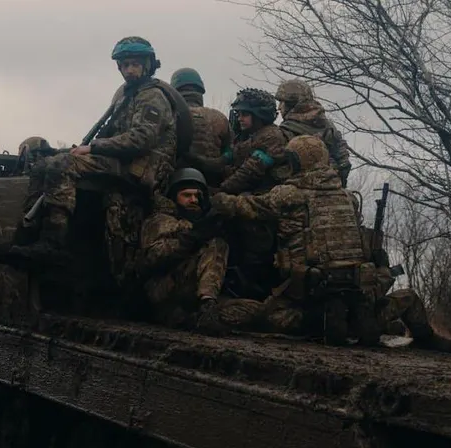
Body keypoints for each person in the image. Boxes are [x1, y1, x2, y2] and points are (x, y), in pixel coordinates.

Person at [0, 36, 178, 290]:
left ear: (148, 64)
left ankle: (53, 244)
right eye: (125, 64)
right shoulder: (128, 97)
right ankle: (26, 238)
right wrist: (67, 149)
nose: (129, 70)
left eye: (135, 64)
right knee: (46, 164)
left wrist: (92, 148)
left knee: (63, 166)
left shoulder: (153, 96)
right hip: (121, 163)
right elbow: (108, 136)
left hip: (139, 169)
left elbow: (142, 139)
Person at [202, 135, 381, 343]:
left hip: (312, 286)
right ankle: (353, 317)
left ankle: (318, 318)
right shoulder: (349, 197)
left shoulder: (289, 194)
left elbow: (248, 207)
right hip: (356, 282)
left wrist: (217, 199)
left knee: (263, 317)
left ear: (297, 162)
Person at [187, 87, 291, 299]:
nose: (240, 118)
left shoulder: (272, 138)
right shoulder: (245, 138)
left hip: (261, 202)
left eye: (245, 114)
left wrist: (218, 192)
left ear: (259, 115)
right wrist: (192, 160)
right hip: (243, 195)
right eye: (239, 114)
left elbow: (249, 172)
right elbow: (221, 161)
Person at [138, 168, 228, 329]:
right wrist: (189, 239)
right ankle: (206, 305)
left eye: (197, 195)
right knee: (216, 244)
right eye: (186, 195)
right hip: (162, 291)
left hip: (189, 293)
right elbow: (151, 258)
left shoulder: (200, 223)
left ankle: (203, 310)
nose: (193, 200)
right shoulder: (160, 220)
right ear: (174, 197)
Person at [275, 79, 352, 186]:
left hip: (299, 193)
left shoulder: (286, 130)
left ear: (291, 103)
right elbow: (344, 163)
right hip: (334, 190)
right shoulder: (328, 126)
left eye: (282, 102)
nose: (279, 107)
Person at [169, 68, 231, 187]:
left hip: (175, 186)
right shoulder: (220, 118)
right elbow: (230, 153)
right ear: (200, 91)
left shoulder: (168, 115)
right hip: (212, 185)